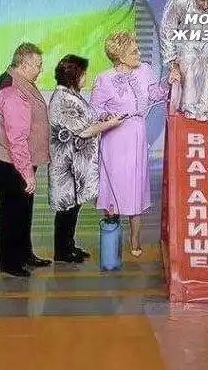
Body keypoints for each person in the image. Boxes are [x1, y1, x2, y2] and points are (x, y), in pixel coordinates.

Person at [90, 31, 174, 257]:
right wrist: (108, 117)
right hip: (114, 137)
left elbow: (156, 94)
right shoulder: (104, 78)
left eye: (138, 50)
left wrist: (168, 81)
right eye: (134, 51)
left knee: (135, 185)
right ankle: (111, 240)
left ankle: (135, 238)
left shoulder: (145, 70)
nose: (139, 54)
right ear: (120, 56)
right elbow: (95, 108)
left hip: (137, 133)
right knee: (114, 186)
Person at [48, 55, 124, 263]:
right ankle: (62, 252)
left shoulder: (72, 95)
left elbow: (86, 119)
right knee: (66, 209)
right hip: (67, 166)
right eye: (83, 73)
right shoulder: (63, 100)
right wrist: (110, 124)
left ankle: (68, 246)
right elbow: (84, 130)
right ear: (74, 76)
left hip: (76, 166)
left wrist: (103, 118)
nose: (86, 77)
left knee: (73, 208)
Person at [0, 43, 52, 277]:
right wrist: (27, 173)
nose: (40, 69)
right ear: (24, 65)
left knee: (23, 210)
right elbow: (16, 139)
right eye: (37, 65)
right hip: (12, 162)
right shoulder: (12, 90)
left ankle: (25, 254)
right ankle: (10, 263)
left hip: (19, 160)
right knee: (12, 212)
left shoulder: (21, 81)